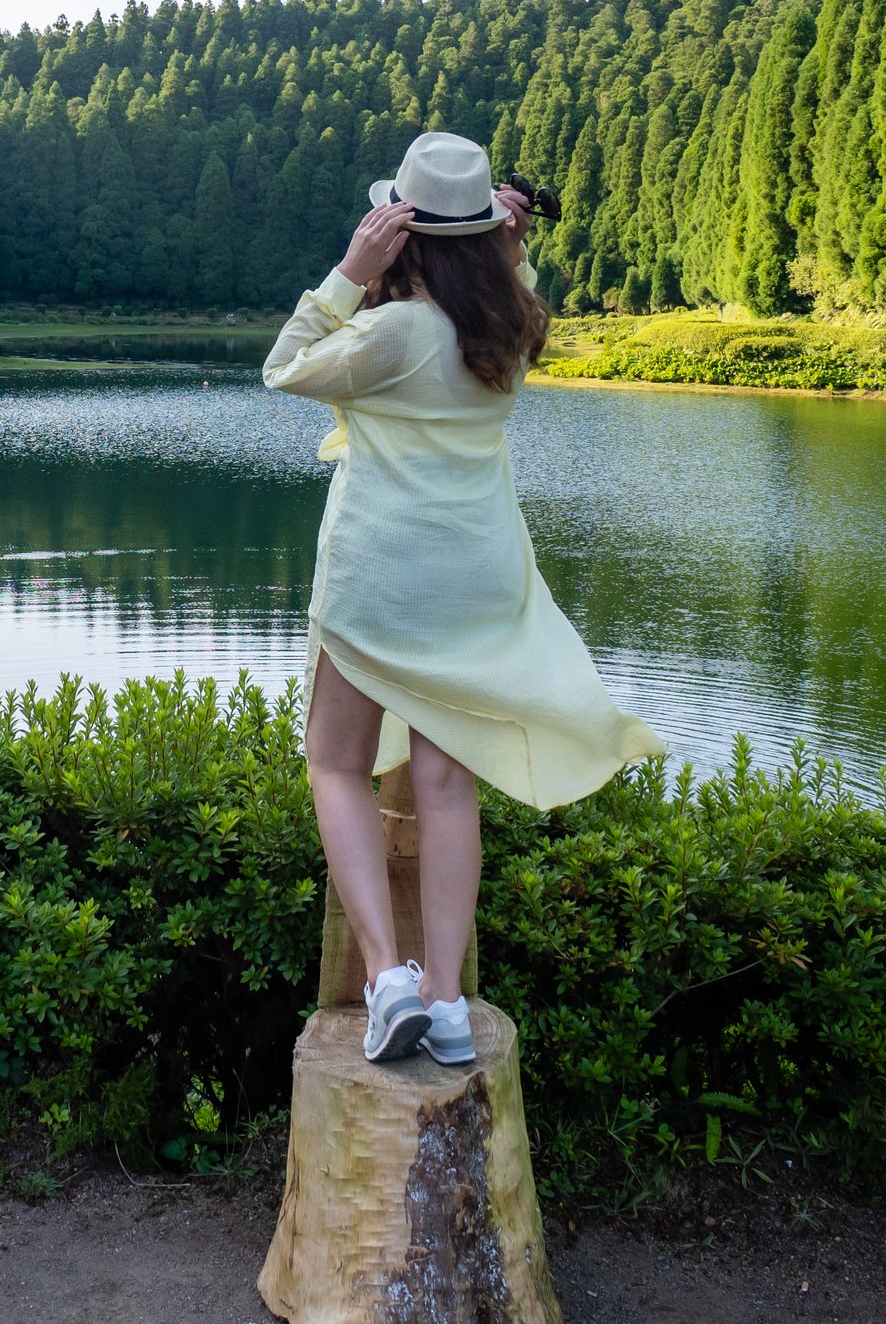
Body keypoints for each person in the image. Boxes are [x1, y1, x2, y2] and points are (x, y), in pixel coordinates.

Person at [263, 131, 663, 1065]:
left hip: (382, 578)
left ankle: (386, 980)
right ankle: (445, 1002)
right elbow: (497, 280)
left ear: (403, 231)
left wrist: (349, 272)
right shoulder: (512, 325)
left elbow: (286, 363)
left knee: (335, 764)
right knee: (447, 786)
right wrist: (508, 250)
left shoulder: (395, 332)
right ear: (488, 237)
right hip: (474, 579)